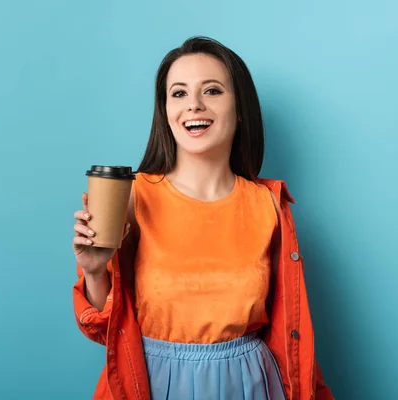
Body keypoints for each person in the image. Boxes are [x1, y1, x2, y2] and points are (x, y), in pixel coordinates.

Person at [72, 36, 334, 400]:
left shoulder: (269, 205)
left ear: (239, 107)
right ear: (165, 110)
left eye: (212, 91)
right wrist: (95, 271)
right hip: (153, 384)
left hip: (251, 385)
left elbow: (290, 330)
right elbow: (103, 328)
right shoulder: (131, 196)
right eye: (178, 93)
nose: (193, 105)